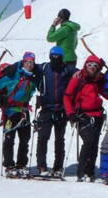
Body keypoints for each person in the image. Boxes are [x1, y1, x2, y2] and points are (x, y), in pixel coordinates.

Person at [0, 52, 40, 177]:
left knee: (24, 139)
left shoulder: (33, 77)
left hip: (23, 111)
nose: (29, 64)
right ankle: (9, 165)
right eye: (27, 62)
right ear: (23, 62)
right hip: (10, 111)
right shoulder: (12, 75)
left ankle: (21, 164)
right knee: (9, 139)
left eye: (31, 62)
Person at [32, 46, 76, 178]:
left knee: (59, 140)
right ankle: (41, 166)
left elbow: (84, 74)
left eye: (58, 56)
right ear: (50, 56)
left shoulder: (68, 69)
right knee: (43, 138)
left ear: (62, 57)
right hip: (46, 109)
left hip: (61, 110)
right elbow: (26, 66)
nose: (55, 58)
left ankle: (58, 167)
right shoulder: (44, 68)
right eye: (53, 56)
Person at [63, 55, 107, 182]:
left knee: (94, 144)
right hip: (82, 116)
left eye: (95, 66)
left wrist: (106, 75)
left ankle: (90, 172)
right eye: (89, 65)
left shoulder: (98, 79)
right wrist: (70, 113)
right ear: (85, 65)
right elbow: (67, 96)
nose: (92, 68)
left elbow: (106, 94)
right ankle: (81, 172)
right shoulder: (78, 78)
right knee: (89, 141)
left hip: (98, 115)